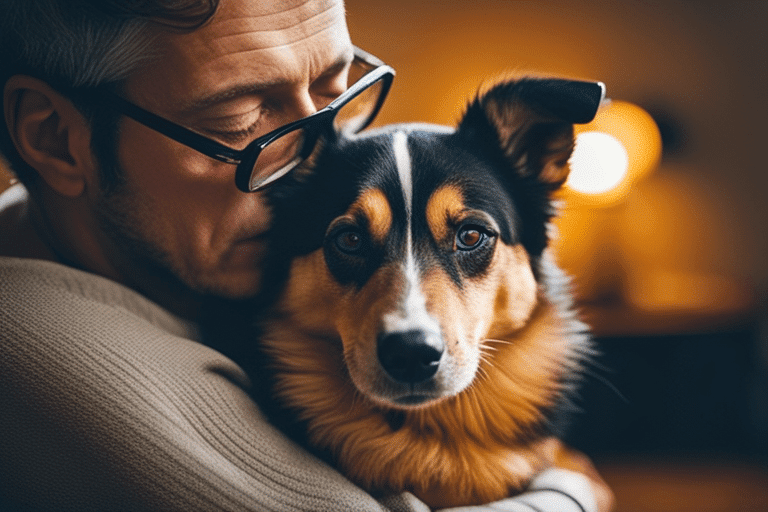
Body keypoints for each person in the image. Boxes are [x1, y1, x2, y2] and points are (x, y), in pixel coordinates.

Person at [0, 0, 614, 510]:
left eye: (332, 94)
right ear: (56, 137)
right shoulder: (37, 349)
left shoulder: (179, 282)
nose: (308, 162)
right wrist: (571, 493)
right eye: (239, 117)